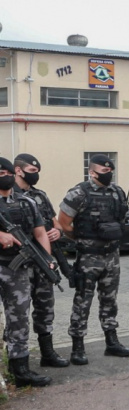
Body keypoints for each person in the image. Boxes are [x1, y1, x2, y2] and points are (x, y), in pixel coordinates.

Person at [58, 154, 129, 364]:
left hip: (112, 256)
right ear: (92, 172)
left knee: (110, 301)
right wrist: (82, 238)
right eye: (104, 171)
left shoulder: (117, 192)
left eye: (111, 170)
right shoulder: (78, 193)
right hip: (88, 257)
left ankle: (112, 342)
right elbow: (63, 223)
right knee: (83, 302)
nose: (109, 174)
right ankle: (77, 347)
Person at [0, 156, 52, 387]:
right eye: (0, 174)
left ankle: (20, 370)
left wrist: (46, 259)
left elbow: (40, 233)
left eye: (7, 173)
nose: (5, 177)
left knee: (19, 319)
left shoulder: (26, 202)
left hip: (16, 269)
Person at [13, 153, 68, 367]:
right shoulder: (8, 195)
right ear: (19, 170)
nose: (36, 175)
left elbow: (56, 223)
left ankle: (48, 353)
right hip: (18, 263)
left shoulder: (40, 196)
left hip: (42, 260)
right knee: (18, 312)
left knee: (45, 307)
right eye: (32, 171)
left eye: (37, 171)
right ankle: (18, 360)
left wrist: (57, 232)